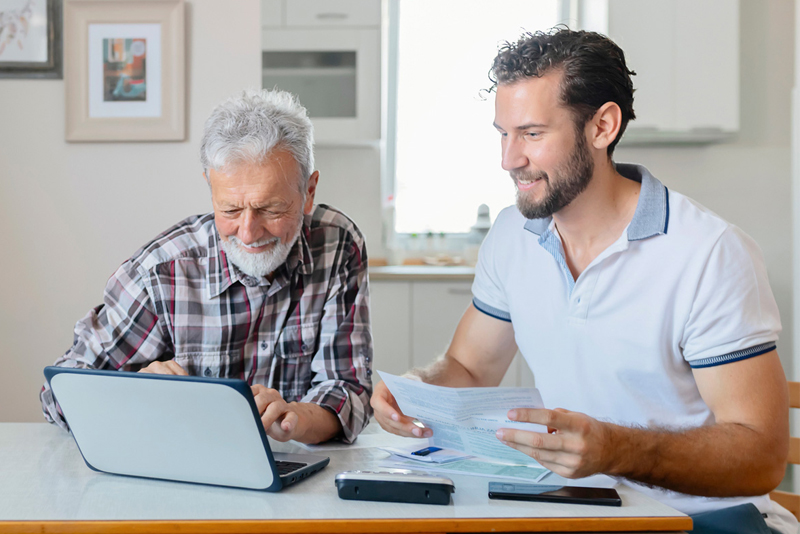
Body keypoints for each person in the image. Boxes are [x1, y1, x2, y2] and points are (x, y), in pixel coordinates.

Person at [371, 28, 796, 534]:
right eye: (502, 134)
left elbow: (761, 457)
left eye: (532, 134)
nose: (509, 159)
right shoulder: (512, 236)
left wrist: (615, 449)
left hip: (705, 520)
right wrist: (417, 390)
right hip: (580, 511)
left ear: (602, 127)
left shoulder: (708, 253)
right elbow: (468, 365)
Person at [42, 89, 373, 445]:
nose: (248, 232)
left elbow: (348, 389)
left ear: (308, 192)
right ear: (210, 187)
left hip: (298, 472)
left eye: (271, 209)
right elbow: (57, 393)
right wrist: (134, 391)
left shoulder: (337, 244)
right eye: (229, 210)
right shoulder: (162, 272)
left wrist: (296, 419)